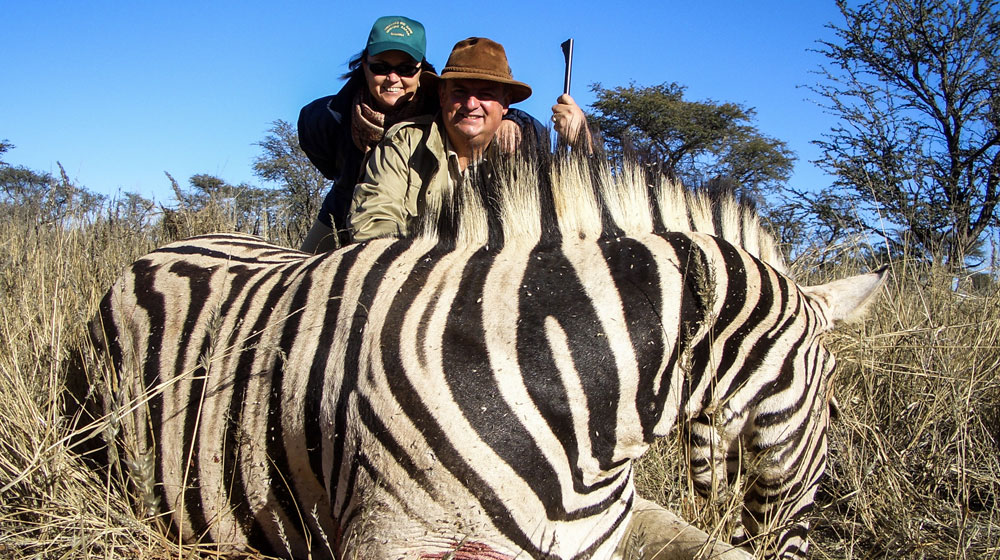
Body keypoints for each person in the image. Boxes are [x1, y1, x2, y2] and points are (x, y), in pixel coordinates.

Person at [298, 17, 547, 253]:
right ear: (365, 66)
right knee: (303, 272)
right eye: (380, 67)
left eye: (406, 69)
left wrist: (517, 122)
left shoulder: (447, 110)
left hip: (446, 263)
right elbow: (372, 216)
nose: (392, 78)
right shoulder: (327, 117)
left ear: (420, 70)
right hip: (345, 209)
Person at [348, 37, 590, 242]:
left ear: (505, 104)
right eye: (460, 92)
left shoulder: (526, 157)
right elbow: (373, 224)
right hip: (415, 276)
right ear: (442, 96)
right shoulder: (403, 144)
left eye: (485, 94)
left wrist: (582, 142)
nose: (471, 104)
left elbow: (582, 220)